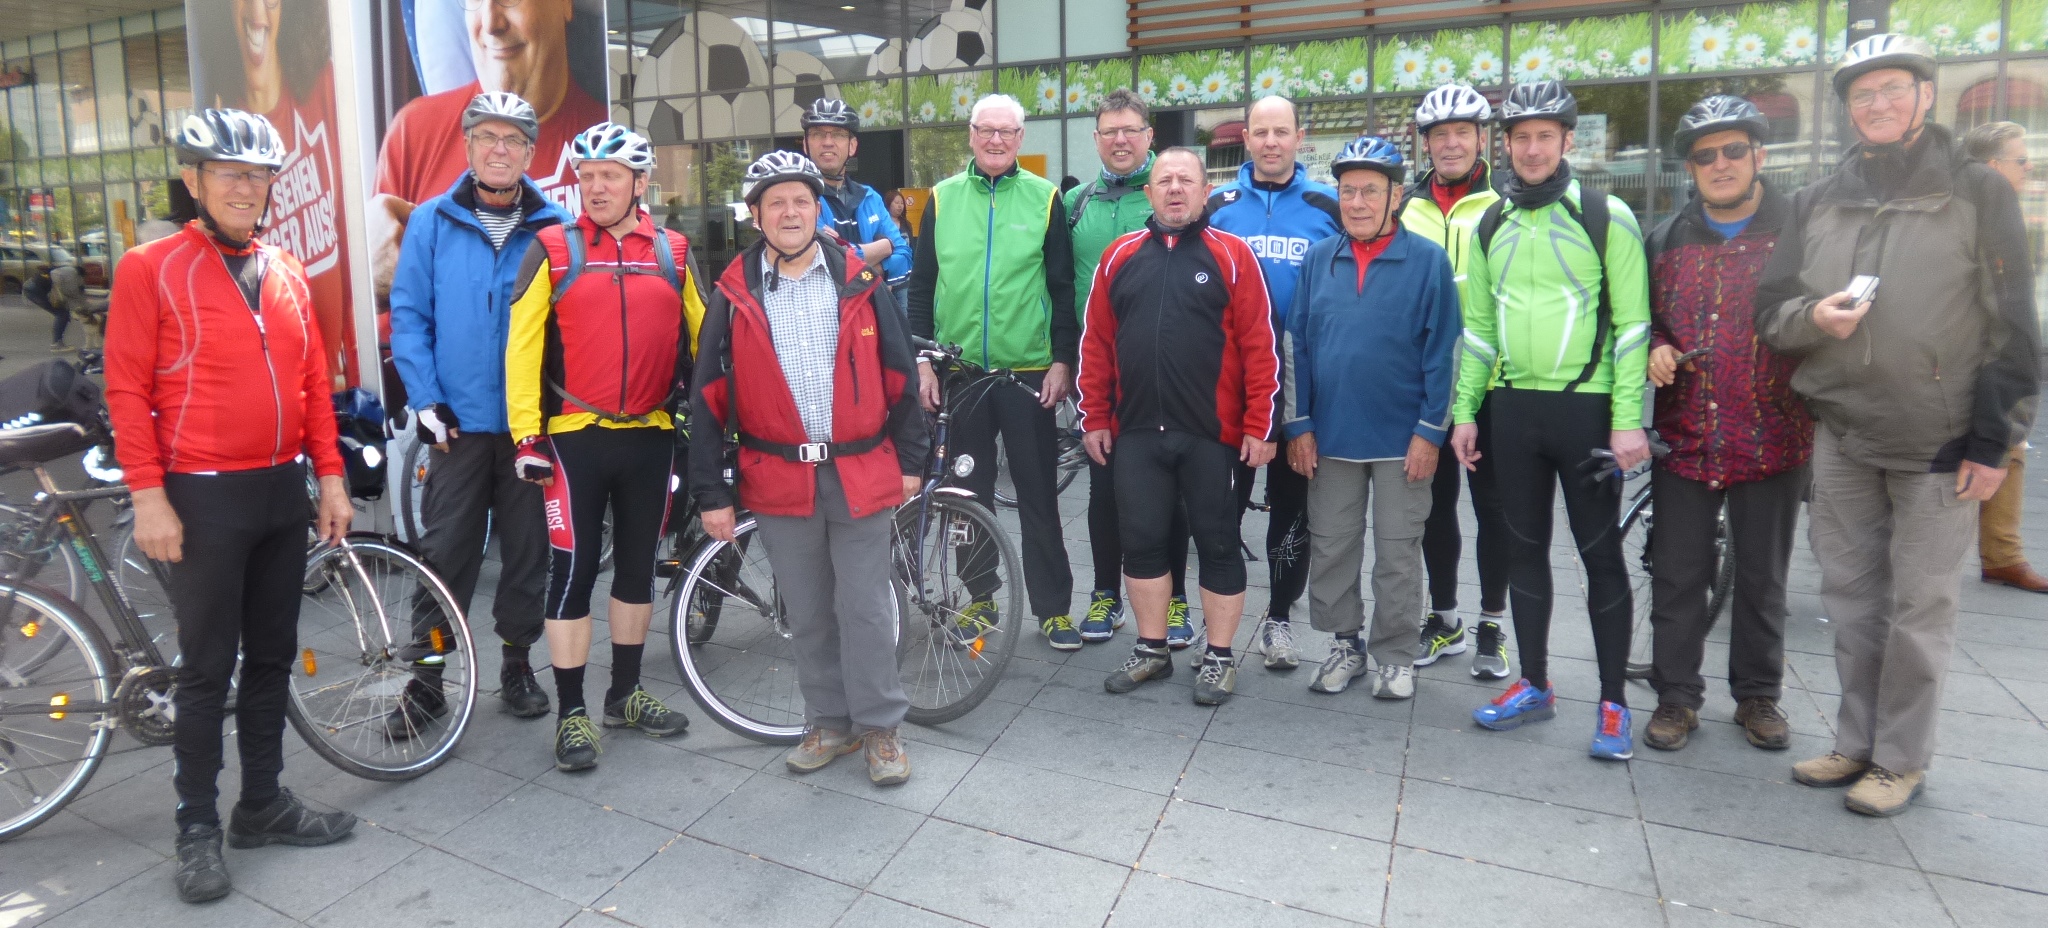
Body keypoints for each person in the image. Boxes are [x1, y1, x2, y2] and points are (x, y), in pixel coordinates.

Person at [1757, 35, 2041, 815]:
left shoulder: (1978, 192)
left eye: (1892, 89)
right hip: (1845, 431)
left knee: (1921, 608)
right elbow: (1771, 310)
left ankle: (1901, 758)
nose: (1877, 105)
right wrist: (1812, 316)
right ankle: (1856, 742)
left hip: (1941, 443)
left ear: (1924, 97)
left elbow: (2014, 325)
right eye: (1862, 95)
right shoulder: (1817, 199)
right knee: (1850, 598)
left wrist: (1996, 439)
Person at [104, 108, 358, 904]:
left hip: (282, 490)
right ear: (193, 182)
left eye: (258, 175)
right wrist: (149, 496)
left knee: (275, 659)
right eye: (229, 173)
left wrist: (334, 477)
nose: (247, 188)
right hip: (201, 497)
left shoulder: (285, 270)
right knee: (206, 670)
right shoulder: (149, 267)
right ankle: (195, 829)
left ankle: (262, 803)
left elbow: (315, 386)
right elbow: (126, 390)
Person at [690, 151, 929, 785]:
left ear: (817, 208)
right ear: (757, 216)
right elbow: (708, 394)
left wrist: (911, 458)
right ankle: (829, 722)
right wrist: (710, 492)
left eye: (801, 201)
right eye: (776, 203)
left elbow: (901, 372)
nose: (791, 212)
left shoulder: (858, 278)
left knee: (867, 607)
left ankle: (881, 728)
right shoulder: (734, 293)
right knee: (809, 608)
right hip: (777, 476)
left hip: (859, 469)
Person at [1448, 80, 1653, 762]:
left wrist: (1628, 423)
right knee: (1521, 549)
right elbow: (1478, 330)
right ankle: (1534, 683)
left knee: (1601, 557)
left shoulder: (1606, 215)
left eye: (1545, 136)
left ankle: (1615, 704)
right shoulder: (1490, 223)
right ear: (1505, 145)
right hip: (1511, 412)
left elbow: (1632, 329)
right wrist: (1465, 413)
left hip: (1587, 413)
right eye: (1521, 137)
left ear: (1568, 142)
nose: (1532, 149)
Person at [505, 122, 702, 772]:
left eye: (610, 177)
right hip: (571, 441)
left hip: (649, 436)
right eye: (587, 177)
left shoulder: (672, 250)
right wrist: (525, 435)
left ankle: (624, 694)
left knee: (638, 569)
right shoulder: (551, 248)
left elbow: (708, 340)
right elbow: (523, 346)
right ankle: (571, 714)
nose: (595, 188)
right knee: (572, 571)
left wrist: (716, 418)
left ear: (640, 184)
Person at [388, 92, 569, 728]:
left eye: (514, 140)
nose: (500, 149)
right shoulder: (432, 222)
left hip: (531, 428)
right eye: (488, 138)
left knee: (527, 553)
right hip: (455, 429)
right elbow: (410, 316)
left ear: (530, 153)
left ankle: (516, 665)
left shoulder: (554, 225)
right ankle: (429, 677)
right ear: (467, 147)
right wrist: (426, 400)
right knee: (445, 554)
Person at [1640, 96, 1813, 753]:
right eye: (1705, 155)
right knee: (1678, 575)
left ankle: (1758, 696)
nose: (1720, 164)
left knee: (1764, 577)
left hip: (1775, 432)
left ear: (1759, 157)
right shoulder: (1666, 236)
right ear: (1691, 166)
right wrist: (1654, 342)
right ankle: (1676, 698)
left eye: (1733, 151)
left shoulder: (1799, 227)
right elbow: (1641, 316)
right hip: (1687, 434)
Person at [1079, 146, 1279, 706]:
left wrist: (1260, 425)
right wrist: (1094, 415)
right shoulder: (1119, 256)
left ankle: (1218, 657)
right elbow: (1095, 344)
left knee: (1217, 544)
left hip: (1210, 435)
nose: (1173, 190)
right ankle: (1152, 650)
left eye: (1184, 181)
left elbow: (1261, 347)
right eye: (1163, 181)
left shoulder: (1232, 254)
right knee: (1140, 545)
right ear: (1149, 193)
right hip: (1137, 433)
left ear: (1202, 191)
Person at [1283, 136, 1459, 700]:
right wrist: (1298, 425)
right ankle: (1344, 644)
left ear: (1396, 196)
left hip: (1403, 440)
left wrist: (1431, 433)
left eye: (1370, 191)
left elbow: (1445, 353)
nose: (1356, 202)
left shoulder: (1428, 262)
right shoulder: (1318, 260)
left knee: (1398, 551)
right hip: (1329, 437)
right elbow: (1295, 348)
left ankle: (1395, 655)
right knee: (1332, 544)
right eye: (1348, 191)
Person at [908, 94, 1079, 649]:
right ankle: (980, 600)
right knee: (966, 496)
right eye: (987, 130)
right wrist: (924, 360)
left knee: (1038, 494)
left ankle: (1053, 609)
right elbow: (922, 286)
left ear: (1021, 138)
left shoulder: (1045, 198)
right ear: (971, 134)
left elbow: (1061, 288)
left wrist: (1062, 360)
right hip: (960, 372)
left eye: (1008, 132)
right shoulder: (941, 198)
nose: (997, 140)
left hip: (1027, 372)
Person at [1205, 95, 1342, 668]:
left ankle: (1279, 620)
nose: (1269, 143)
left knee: (1292, 509)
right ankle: (1215, 627)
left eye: (1280, 132)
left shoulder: (1327, 204)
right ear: (1247, 137)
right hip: (1230, 388)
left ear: (1299, 137)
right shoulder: (1218, 204)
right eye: (1259, 132)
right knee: (1218, 511)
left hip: (1301, 389)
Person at [369, 0, 608, 308]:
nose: (491, 23)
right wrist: (371, 283)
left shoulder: (613, 137)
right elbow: (383, 334)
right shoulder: (414, 134)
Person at [1065, 88, 1192, 644]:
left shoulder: (1169, 196)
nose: (1120, 140)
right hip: (1101, 375)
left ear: (1148, 138)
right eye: (1109, 131)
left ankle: (1177, 601)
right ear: (1095, 140)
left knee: (1173, 492)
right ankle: (1104, 595)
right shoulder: (1074, 205)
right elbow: (1059, 285)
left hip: (1169, 374)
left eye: (1130, 131)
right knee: (1103, 490)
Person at [1401, 84, 1512, 679]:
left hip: (1492, 385)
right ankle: (1445, 620)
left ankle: (1493, 623)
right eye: (1438, 134)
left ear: (1481, 139)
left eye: (1461, 133)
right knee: (1433, 507)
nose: (1449, 143)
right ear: (1425, 144)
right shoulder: (1406, 209)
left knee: (1493, 509)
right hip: (1428, 385)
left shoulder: (1504, 206)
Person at [1960, 121, 2048, 594]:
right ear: (1993, 167)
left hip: (2001, 350)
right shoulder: (1973, 209)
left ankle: (2003, 553)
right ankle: (2002, 553)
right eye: (2020, 158)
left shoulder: (2006, 207)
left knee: (2012, 441)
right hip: (1970, 355)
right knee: (2004, 436)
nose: (2030, 166)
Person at [801, 99, 912, 309]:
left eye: (838, 134)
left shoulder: (870, 197)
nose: (828, 141)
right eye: (817, 133)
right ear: (806, 143)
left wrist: (850, 255)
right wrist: (883, 248)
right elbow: (822, 264)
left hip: (870, 318)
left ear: (852, 146)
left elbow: (904, 257)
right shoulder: (798, 202)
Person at [23, 261, 82, 352]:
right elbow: (71, 291)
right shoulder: (72, 273)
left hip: (31, 287)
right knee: (61, 314)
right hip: (36, 291)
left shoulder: (64, 268)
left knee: (63, 313)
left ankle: (58, 343)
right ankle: (56, 344)